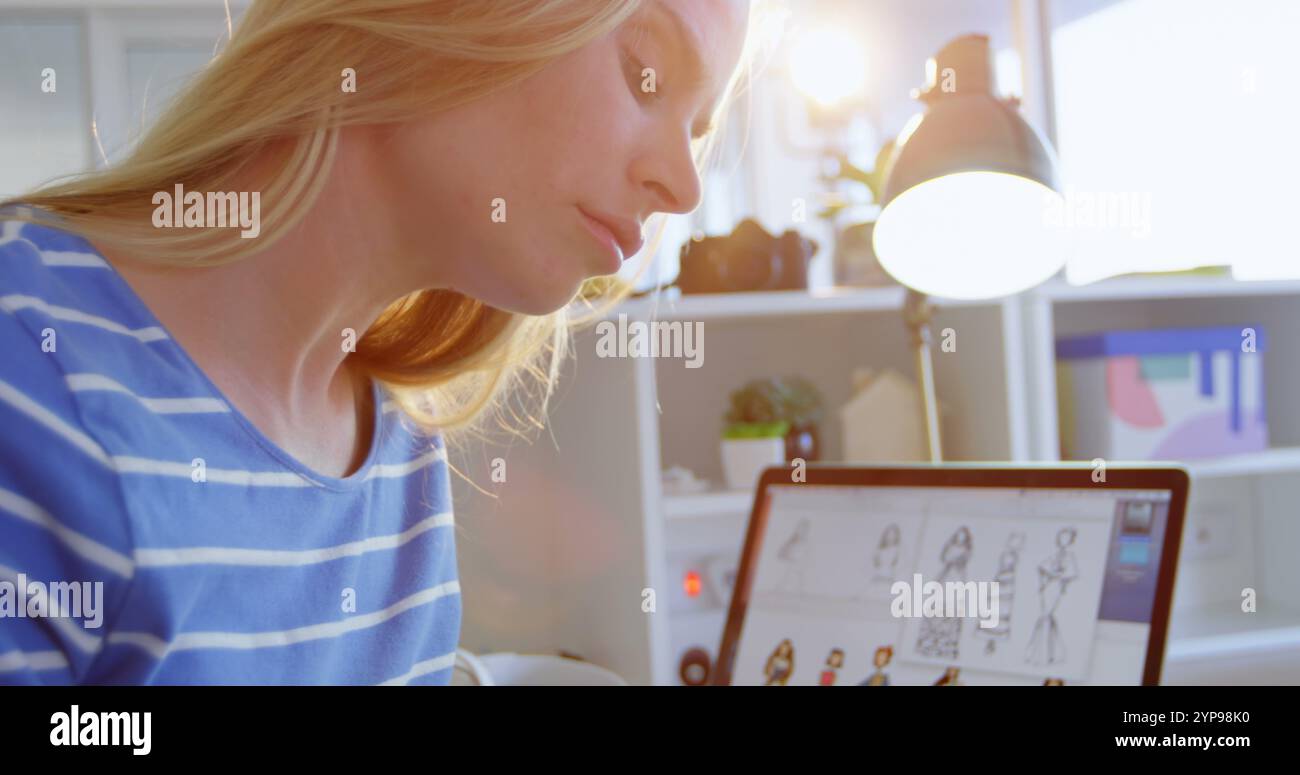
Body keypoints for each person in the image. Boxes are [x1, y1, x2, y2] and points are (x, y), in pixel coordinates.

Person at [0, 0, 754, 685]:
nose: (685, 187)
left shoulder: (396, 451)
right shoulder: (28, 369)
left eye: (697, 129)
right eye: (644, 74)